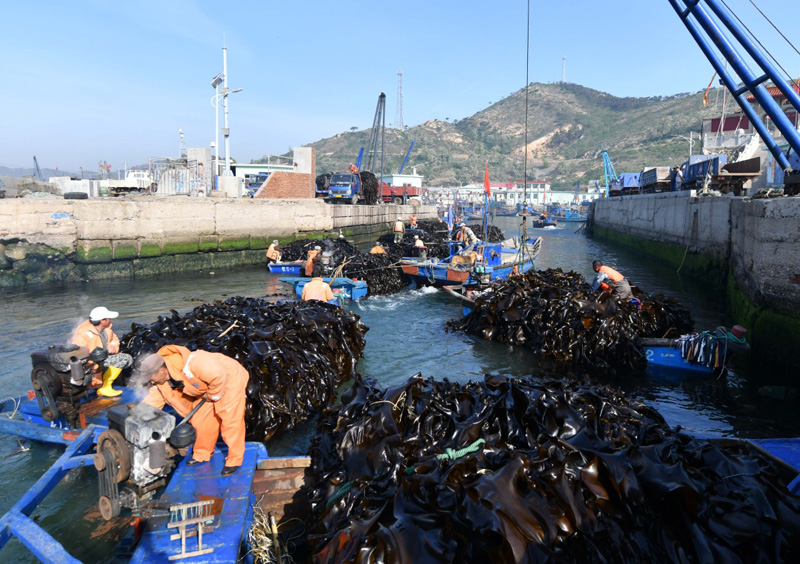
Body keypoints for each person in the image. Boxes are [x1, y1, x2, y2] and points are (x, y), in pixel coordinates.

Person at [138, 345, 249, 476]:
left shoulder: (195, 362)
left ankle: (234, 460)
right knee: (200, 419)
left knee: (230, 418)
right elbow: (153, 401)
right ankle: (202, 453)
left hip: (229, 378)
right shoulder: (162, 381)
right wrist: (140, 416)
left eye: (151, 379)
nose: (151, 383)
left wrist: (213, 395)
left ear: (161, 370)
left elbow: (218, 376)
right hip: (208, 385)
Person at [72, 306, 133, 397]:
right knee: (125, 358)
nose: (110, 319)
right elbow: (77, 355)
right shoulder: (83, 333)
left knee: (128, 359)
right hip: (92, 364)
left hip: (104, 359)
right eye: (108, 318)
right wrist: (94, 366)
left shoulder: (106, 329)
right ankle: (105, 387)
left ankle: (105, 383)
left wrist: (113, 346)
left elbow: (115, 340)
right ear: (102, 321)